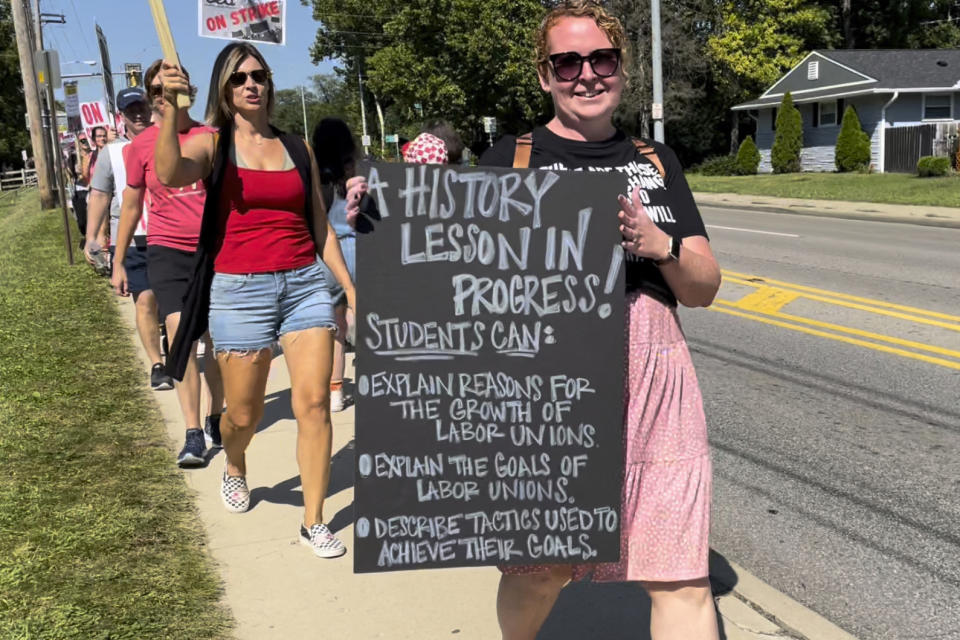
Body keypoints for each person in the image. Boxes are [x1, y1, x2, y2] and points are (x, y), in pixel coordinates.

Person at [348, 2, 721, 637]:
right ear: (545, 75)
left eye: (601, 58)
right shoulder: (509, 160)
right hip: (545, 378)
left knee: (681, 573)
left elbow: (705, 287)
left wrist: (660, 246)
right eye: (567, 62)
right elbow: (444, 273)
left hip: (654, 373)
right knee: (540, 567)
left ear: (622, 68)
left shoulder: (656, 162)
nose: (586, 74)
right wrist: (382, 216)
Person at [155, 42, 355, 558]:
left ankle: (314, 521)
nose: (252, 84)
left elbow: (318, 226)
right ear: (224, 89)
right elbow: (170, 172)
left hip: (304, 284)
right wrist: (170, 111)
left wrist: (350, 288)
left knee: (312, 404)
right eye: (240, 77)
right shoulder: (211, 145)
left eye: (259, 75)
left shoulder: (297, 148)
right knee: (242, 416)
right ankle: (236, 463)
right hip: (240, 291)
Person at [112, 60, 225, 467]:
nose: (164, 98)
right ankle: (193, 432)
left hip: (212, 250)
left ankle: (215, 416)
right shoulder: (139, 148)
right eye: (157, 92)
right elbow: (130, 204)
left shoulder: (212, 137)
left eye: (171, 89)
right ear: (149, 96)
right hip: (166, 249)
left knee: (217, 343)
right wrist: (118, 259)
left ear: (186, 90)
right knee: (181, 339)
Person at [87, 87, 173, 391]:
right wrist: (91, 238)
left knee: (174, 305)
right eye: (130, 109)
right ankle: (157, 364)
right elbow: (99, 195)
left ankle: (172, 341)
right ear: (121, 115)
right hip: (135, 238)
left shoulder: (171, 140)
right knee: (146, 300)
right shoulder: (112, 153)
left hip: (172, 235)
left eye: (141, 106)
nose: (137, 113)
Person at [312, 118, 358, 412]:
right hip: (361, 252)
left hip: (327, 258)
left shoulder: (316, 177)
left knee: (334, 329)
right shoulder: (358, 174)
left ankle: (335, 391)